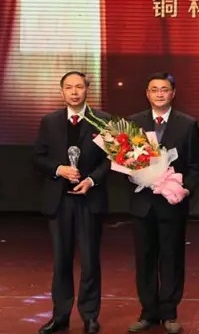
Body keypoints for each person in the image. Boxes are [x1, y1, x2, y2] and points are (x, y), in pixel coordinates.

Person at [34, 71, 111, 334]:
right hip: (59, 201)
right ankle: (60, 316)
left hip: (89, 199)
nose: (74, 92)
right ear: (62, 92)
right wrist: (59, 169)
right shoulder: (49, 121)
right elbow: (38, 157)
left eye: (79, 86)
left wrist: (91, 180)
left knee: (90, 261)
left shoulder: (103, 120)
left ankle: (90, 316)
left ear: (87, 89)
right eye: (69, 87)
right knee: (61, 261)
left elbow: (110, 160)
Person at [127, 72, 199, 334]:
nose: (160, 94)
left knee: (172, 258)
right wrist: (136, 174)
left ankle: (169, 313)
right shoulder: (133, 123)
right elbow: (124, 161)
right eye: (154, 89)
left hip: (172, 203)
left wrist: (184, 189)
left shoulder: (188, 124)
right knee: (145, 258)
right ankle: (148, 312)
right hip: (143, 202)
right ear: (147, 94)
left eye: (164, 89)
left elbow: (195, 165)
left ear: (173, 93)